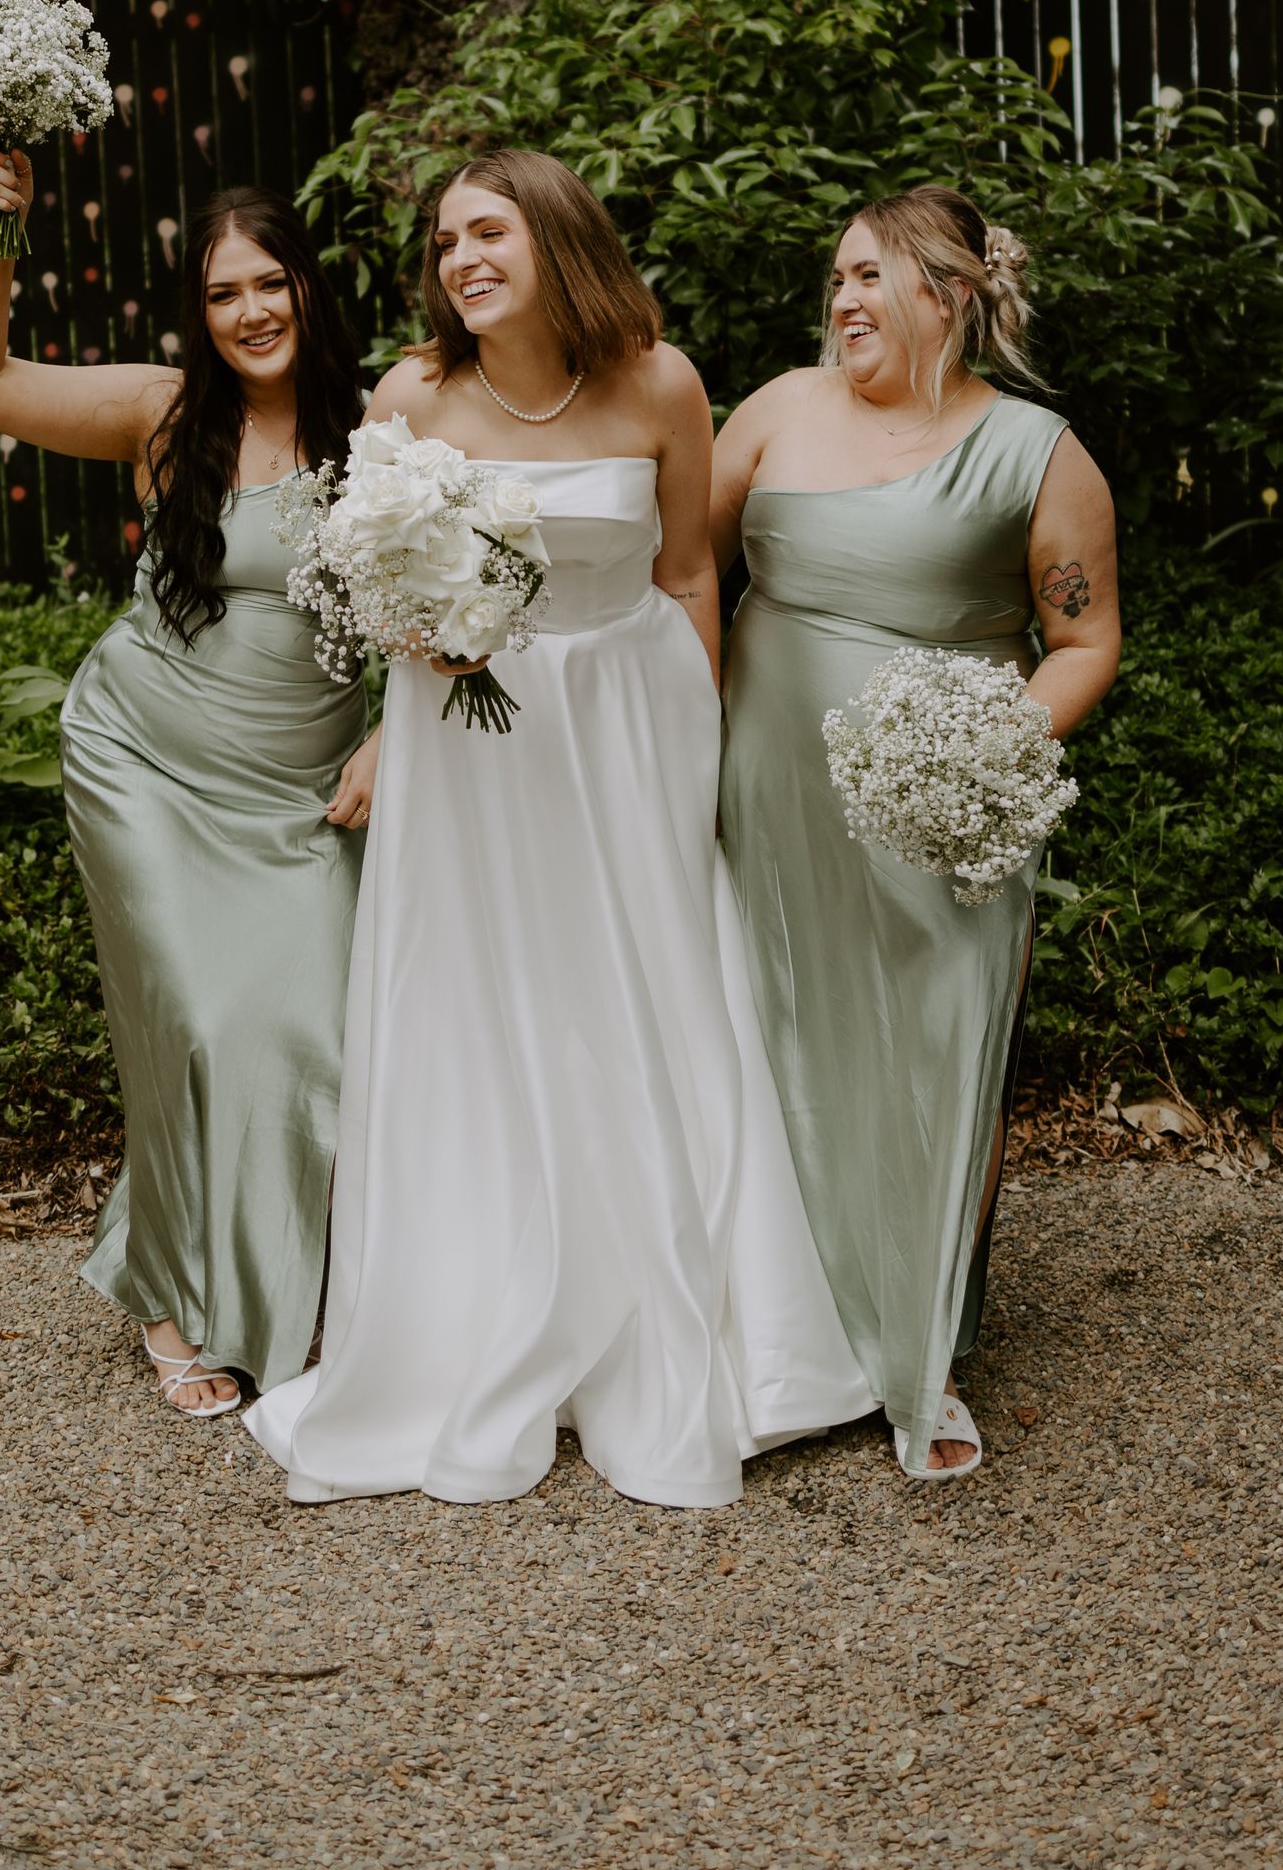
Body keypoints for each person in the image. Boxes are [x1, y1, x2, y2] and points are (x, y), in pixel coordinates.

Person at [245, 148, 871, 1507]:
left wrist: (696, 745)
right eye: (445, 241)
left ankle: (693, 1318)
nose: (462, 260)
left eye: (489, 233)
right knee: (487, 996)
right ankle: (473, 1312)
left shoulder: (660, 382)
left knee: (644, 989)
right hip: (472, 739)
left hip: (630, 720)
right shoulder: (414, 394)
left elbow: (689, 570)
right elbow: (375, 581)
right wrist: (421, 647)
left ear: (556, 238)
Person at [0, 160, 376, 1416]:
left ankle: (287, 1273)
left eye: (269, 283)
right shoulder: (166, 413)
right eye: (222, 294)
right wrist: (4, 233)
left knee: (311, 1033)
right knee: (194, 1020)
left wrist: (396, 733)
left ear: (307, 286)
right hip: (145, 759)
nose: (251, 312)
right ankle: (176, 1301)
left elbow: (439, 600)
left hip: (300, 785)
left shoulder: (383, 427)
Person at [711, 186, 1120, 1482]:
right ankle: (787, 1327)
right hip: (768, 796)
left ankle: (923, 1348)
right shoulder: (775, 411)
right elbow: (681, 578)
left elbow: (1084, 639)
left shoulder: (1037, 454)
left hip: (944, 813)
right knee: (776, 1036)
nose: (842, 299)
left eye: (869, 276)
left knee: (945, 1048)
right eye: (836, 277)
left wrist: (985, 753)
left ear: (948, 295)